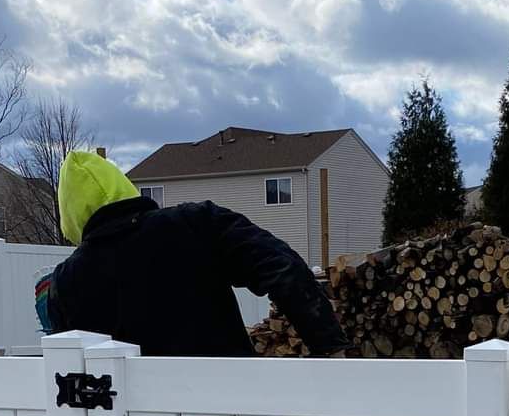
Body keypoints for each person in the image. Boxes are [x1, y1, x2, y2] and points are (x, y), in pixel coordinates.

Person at [35, 150, 346, 357]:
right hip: (235, 411)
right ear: (124, 187)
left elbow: (68, 364)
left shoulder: (66, 281)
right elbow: (283, 267)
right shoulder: (196, 223)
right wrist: (330, 347)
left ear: (71, 216)